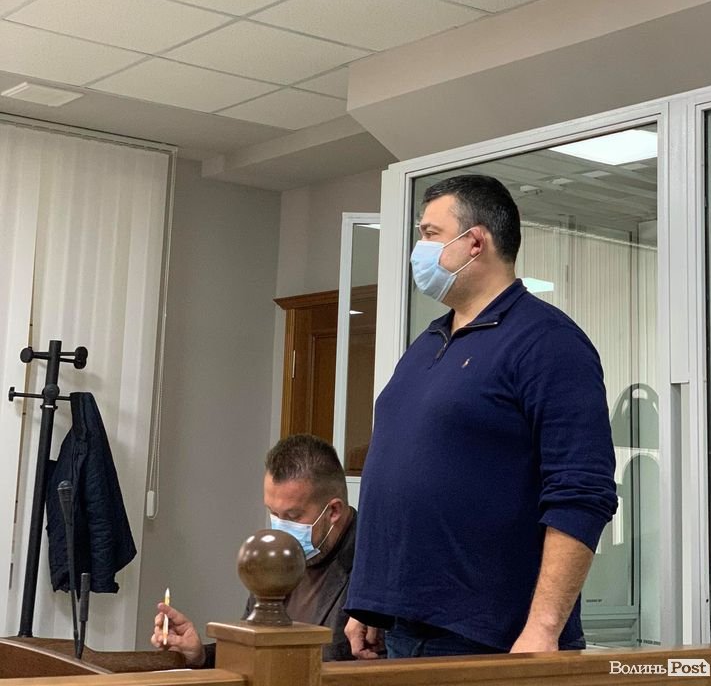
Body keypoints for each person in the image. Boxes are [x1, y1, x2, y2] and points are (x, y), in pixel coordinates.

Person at [344, 174, 618, 660]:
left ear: (475, 242)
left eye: (430, 233)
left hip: (491, 637)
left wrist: (543, 629)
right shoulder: (428, 343)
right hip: (403, 626)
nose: (419, 249)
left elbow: (582, 492)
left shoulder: (548, 342)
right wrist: (370, 601)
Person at [152, 434, 357, 665]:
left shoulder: (371, 570)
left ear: (333, 511)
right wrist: (199, 655)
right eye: (273, 513)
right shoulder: (272, 560)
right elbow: (253, 652)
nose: (280, 527)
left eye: (292, 516)